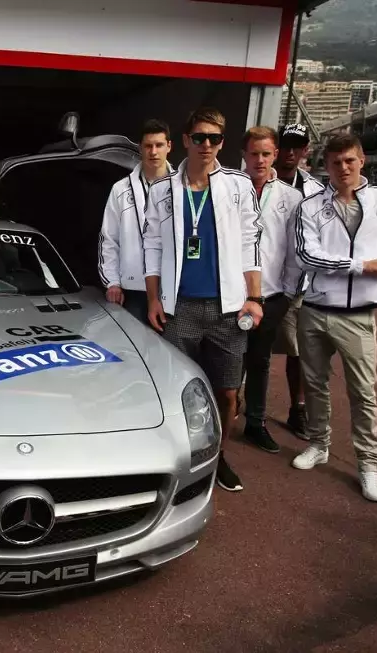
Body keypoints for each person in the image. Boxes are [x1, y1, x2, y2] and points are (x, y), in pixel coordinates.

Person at [292, 133, 377, 503]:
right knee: (314, 385)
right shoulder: (311, 206)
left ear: (361, 160)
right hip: (315, 309)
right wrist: (359, 266)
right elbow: (307, 256)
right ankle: (319, 444)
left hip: (360, 315)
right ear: (326, 166)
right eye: (335, 163)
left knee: (363, 391)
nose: (343, 168)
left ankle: (368, 463)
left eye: (349, 161)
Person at [143, 107, 263, 493]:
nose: (206, 145)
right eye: (199, 137)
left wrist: (255, 297)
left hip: (227, 308)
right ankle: (182, 459)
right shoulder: (163, 189)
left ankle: (219, 456)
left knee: (227, 392)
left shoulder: (238, 185)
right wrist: (153, 299)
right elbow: (152, 245)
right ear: (186, 141)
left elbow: (250, 242)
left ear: (222, 143)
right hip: (179, 308)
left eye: (214, 138)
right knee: (178, 389)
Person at [239, 126, 304, 454]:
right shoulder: (229, 188)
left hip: (272, 296)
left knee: (260, 361)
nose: (260, 160)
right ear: (244, 155)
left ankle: (256, 423)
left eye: (266, 154)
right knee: (227, 361)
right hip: (232, 296)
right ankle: (222, 419)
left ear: (275, 155)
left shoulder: (292, 197)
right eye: (254, 154)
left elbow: (294, 251)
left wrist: (288, 295)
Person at [272, 122, 324, 438]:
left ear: (305, 150)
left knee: (300, 351)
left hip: (303, 285)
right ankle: (243, 406)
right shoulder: (256, 180)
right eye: (286, 145)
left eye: (297, 146)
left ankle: (298, 410)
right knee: (253, 348)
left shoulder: (317, 190)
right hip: (265, 281)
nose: (291, 152)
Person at [98, 119, 174, 324]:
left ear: (169, 146)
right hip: (132, 289)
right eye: (148, 146)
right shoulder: (120, 189)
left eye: (159, 145)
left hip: (171, 289)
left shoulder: (182, 188)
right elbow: (109, 239)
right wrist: (113, 282)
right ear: (140, 148)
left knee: (168, 353)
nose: (154, 151)